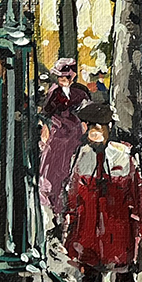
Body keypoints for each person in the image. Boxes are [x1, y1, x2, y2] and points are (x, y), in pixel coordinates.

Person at [62, 97, 142, 282]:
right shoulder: (82, 156)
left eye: (100, 127)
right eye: (91, 128)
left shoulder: (124, 156)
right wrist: (70, 225)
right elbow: (73, 195)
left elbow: (138, 195)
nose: (95, 132)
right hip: (89, 232)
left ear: (109, 127)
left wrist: (138, 228)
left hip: (118, 229)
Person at [40, 57, 90, 221]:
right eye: (61, 76)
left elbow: (86, 112)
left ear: (73, 76)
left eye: (67, 76)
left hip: (74, 137)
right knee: (53, 172)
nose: (64, 80)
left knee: (70, 170)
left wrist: (83, 125)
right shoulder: (54, 92)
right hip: (58, 136)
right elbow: (46, 114)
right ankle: (52, 206)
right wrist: (46, 131)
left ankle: (66, 208)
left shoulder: (80, 93)